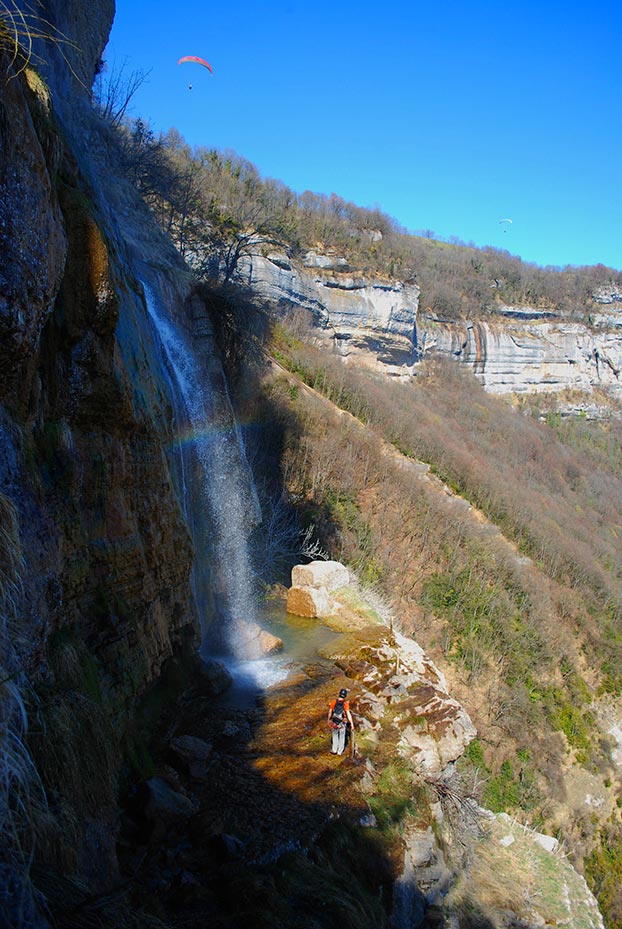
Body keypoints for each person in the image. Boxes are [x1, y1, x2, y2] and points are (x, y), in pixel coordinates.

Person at [327, 688, 354, 756]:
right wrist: (352, 724)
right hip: (342, 723)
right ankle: (340, 751)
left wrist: (328, 719)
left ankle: (334, 749)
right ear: (345, 696)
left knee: (335, 735)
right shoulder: (345, 704)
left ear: (339, 694)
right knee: (342, 737)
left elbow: (330, 711)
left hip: (334, 722)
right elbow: (348, 714)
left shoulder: (333, 702)